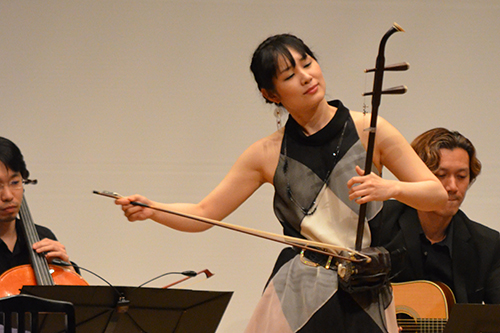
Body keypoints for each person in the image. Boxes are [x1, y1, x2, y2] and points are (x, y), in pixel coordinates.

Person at [115, 34, 447, 332]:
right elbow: (204, 212)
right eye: (290, 76)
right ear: (271, 94)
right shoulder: (265, 154)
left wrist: (392, 189)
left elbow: (436, 195)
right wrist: (152, 209)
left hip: (363, 286)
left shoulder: (368, 129)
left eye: (308, 63)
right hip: (300, 291)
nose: (306, 77)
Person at [370, 127, 500, 304]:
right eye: (441, 175)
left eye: (461, 176)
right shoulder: (378, 222)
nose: (453, 187)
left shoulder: (487, 245)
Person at [0, 137, 77, 277]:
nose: (8, 196)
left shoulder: (42, 237)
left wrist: (68, 273)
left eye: (15, 182)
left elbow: (72, 298)